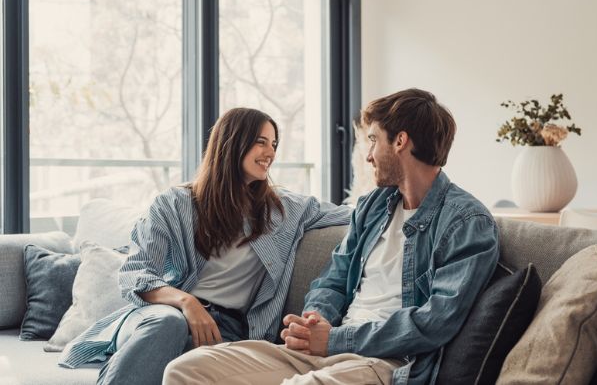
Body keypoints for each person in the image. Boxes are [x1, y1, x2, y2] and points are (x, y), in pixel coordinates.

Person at [162, 89, 500, 385]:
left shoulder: (467, 221)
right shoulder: (373, 206)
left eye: (373, 140)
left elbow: (436, 322)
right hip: (325, 349)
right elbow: (334, 279)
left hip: (386, 362)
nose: (368, 155)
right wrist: (315, 319)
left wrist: (336, 340)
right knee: (186, 370)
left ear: (400, 142)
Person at [58, 108, 352, 385]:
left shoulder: (286, 209)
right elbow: (137, 274)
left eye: (274, 144)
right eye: (261, 142)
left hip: (230, 330)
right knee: (168, 326)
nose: (271, 153)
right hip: (161, 314)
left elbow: (358, 212)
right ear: (232, 143)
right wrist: (188, 303)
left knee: (188, 365)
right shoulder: (174, 204)